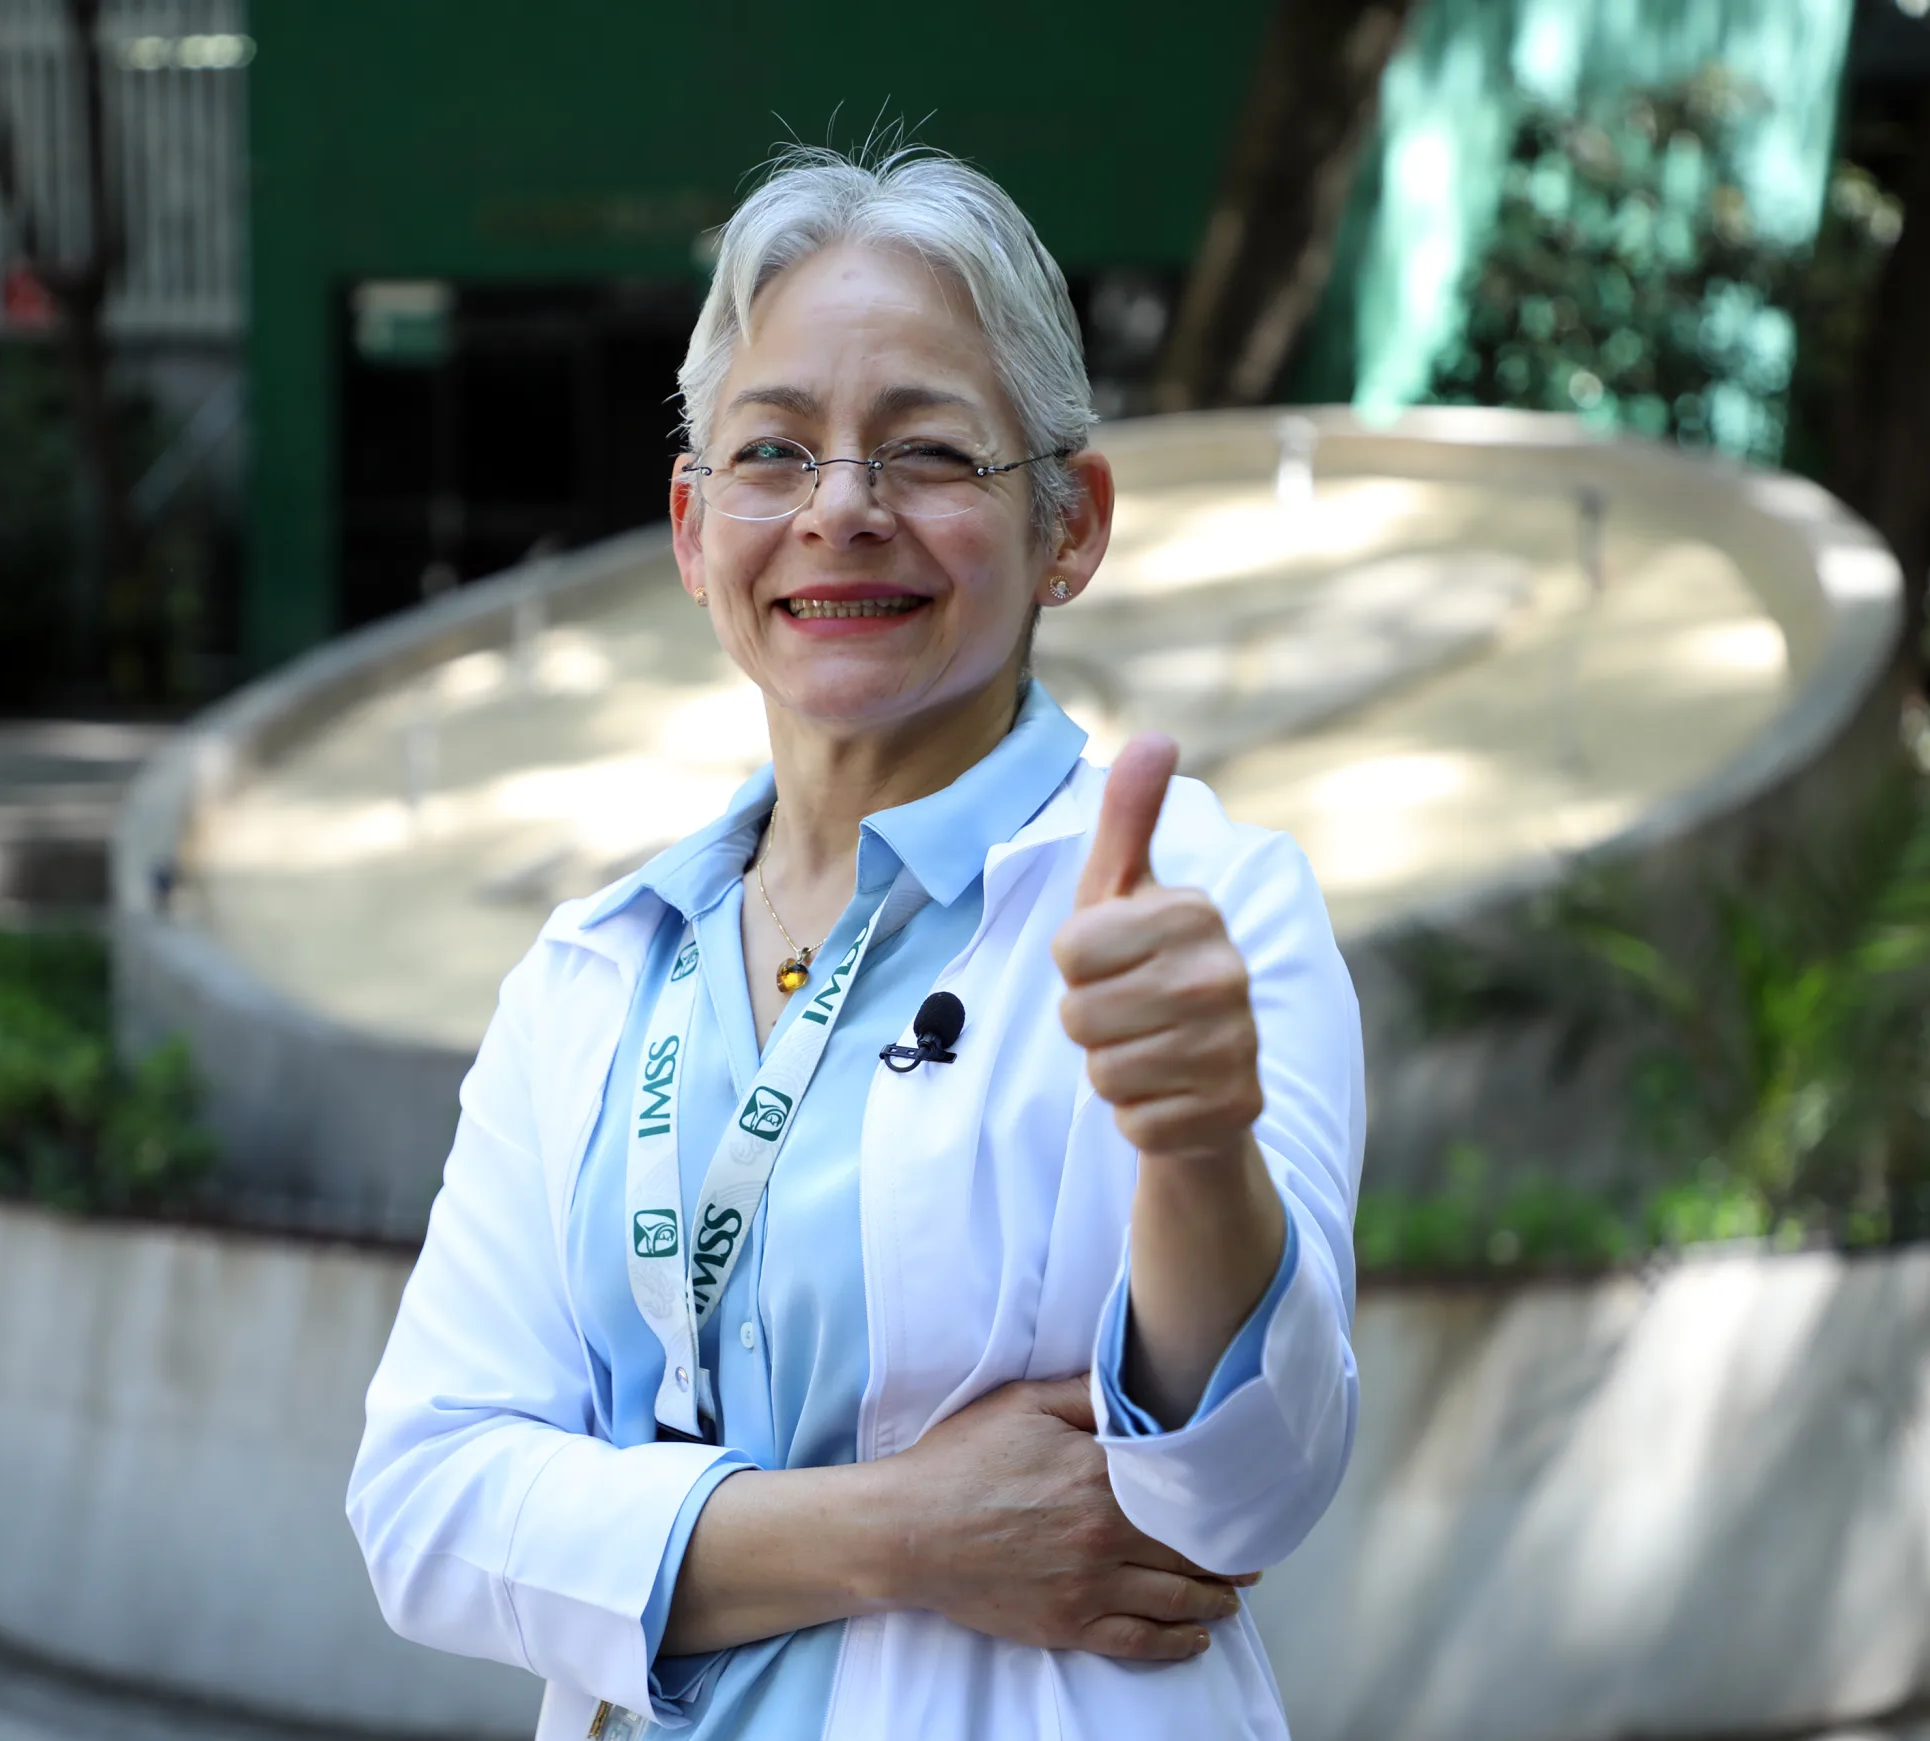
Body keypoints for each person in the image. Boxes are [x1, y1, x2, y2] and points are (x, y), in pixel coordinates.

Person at [348, 147, 1364, 1741]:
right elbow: (424, 1507)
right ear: (696, 533)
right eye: (775, 451)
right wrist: (913, 1532)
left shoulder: (1200, 907)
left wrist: (1197, 1146)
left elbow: (1247, 1495)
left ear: (1069, 526)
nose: (840, 508)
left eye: (930, 451)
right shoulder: (597, 972)